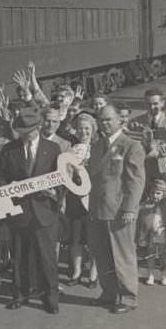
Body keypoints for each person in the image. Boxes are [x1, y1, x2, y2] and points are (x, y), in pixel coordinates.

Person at [0, 106, 63, 314]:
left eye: (29, 131)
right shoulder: (9, 149)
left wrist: (55, 193)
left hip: (44, 210)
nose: (25, 135)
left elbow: (61, 178)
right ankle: (19, 294)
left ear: (38, 127)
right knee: (20, 256)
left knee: (47, 258)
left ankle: (50, 297)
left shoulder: (53, 149)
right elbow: (1, 177)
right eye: (22, 132)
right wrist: (7, 187)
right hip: (19, 210)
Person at [87, 105, 146, 314]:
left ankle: (129, 297)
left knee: (123, 254)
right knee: (102, 253)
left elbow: (136, 181)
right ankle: (109, 293)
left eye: (109, 120)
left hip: (119, 210)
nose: (105, 124)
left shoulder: (131, 146)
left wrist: (130, 208)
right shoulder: (96, 146)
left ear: (119, 121)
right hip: (97, 208)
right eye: (101, 120)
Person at [63, 113, 97, 287]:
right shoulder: (71, 149)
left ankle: (93, 273)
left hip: (94, 198)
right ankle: (76, 272)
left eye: (87, 128)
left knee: (93, 238)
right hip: (75, 197)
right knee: (75, 237)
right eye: (81, 128)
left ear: (93, 129)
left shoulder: (99, 147)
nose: (84, 132)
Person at [136, 179, 166, 286]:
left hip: (162, 235)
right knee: (150, 256)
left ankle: (163, 276)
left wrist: (164, 228)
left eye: (158, 193)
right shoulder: (145, 204)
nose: (155, 195)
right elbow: (139, 212)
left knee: (163, 257)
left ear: (163, 194)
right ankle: (150, 275)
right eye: (152, 192)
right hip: (149, 235)